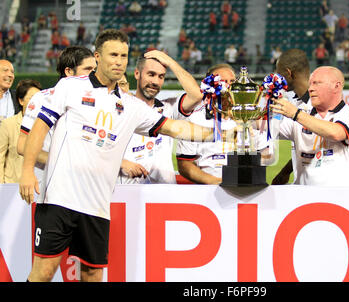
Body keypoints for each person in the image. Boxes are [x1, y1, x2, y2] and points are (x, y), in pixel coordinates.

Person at [19, 29, 234, 282]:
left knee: (92, 273)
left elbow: (177, 128)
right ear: (98, 57)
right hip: (58, 198)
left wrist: (221, 133)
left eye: (123, 55)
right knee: (44, 272)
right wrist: (26, 171)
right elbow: (40, 128)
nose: (119, 61)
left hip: (97, 206)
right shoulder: (70, 87)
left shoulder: (132, 107)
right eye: (113, 55)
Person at [271, 66, 349, 186]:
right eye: (310, 84)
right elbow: (266, 128)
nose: (310, 89)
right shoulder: (302, 115)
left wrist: (295, 114)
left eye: (317, 83)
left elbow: (336, 133)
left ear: (336, 86)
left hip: (346, 200)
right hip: (308, 200)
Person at [118, 50, 204, 184]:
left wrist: (169, 61)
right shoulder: (120, 109)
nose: (155, 82)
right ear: (137, 73)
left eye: (161, 76)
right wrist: (121, 162)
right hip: (128, 195)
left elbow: (197, 95)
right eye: (151, 74)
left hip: (164, 196)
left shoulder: (168, 108)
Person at [17, 46, 97, 190]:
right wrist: (61, 163)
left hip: (83, 187)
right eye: (88, 69)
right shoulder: (42, 98)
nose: (93, 75)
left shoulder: (95, 102)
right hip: (48, 186)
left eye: (94, 70)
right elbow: (22, 145)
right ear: (69, 72)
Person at [176, 64, 239, 184]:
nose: (229, 86)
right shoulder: (193, 119)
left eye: (232, 81)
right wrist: (216, 182)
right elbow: (184, 164)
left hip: (243, 189)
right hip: (207, 191)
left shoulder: (244, 118)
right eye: (223, 81)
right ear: (210, 86)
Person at [270, 48, 311, 185]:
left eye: (279, 73)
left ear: (288, 73)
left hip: (318, 188)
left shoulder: (318, 104)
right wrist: (286, 171)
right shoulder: (294, 101)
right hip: (300, 184)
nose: (277, 78)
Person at [0, 80, 41, 183]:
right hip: (13, 188)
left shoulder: (46, 126)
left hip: (39, 189)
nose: (36, 103)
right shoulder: (8, 124)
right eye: (32, 98)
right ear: (21, 101)